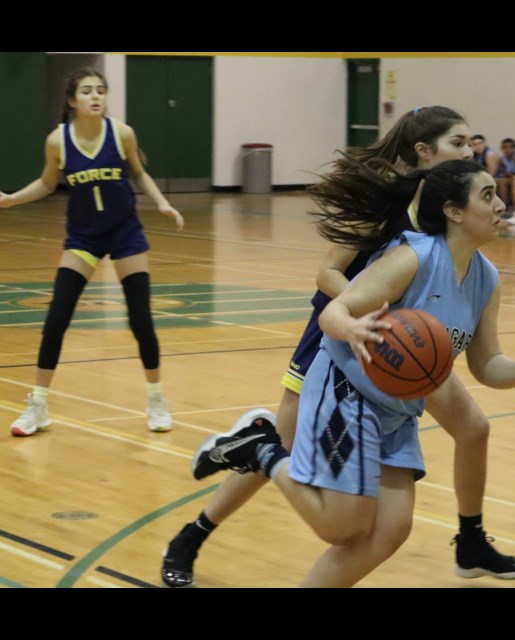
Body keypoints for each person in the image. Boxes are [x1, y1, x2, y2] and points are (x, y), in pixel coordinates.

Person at [190, 159, 515, 588]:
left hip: (398, 408)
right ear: (454, 211)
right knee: (339, 526)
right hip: (346, 388)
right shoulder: (413, 257)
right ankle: (261, 447)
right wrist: (351, 327)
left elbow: (485, 365)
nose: (502, 205)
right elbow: (336, 308)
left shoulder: (486, 277)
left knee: (391, 529)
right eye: (488, 195)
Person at [161, 106, 478, 587]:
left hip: (397, 346)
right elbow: (327, 273)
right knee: (281, 447)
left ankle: (471, 537)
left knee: (471, 427)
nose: (470, 151)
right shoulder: (386, 203)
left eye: (471, 142)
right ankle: (193, 534)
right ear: (423, 151)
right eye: (458, 143)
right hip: (343, 336)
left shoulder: (442, 207)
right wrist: (363, 315)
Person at [0, 69, 184, 436]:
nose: (96, 97)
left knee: (141, 319)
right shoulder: (58, 141)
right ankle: (38, 406)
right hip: (84, 238)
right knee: (56, 318)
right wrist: (10, 199)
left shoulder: (121, 133)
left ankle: (156, 398)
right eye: (87, 91)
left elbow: (139, 174)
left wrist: (163, 203)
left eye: (101, 91)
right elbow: (47, 183)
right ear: (72, 101)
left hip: (125, 235)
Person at [494, 138, 515, 222]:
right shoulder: (501, 159)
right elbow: (502, 173)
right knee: (499, 181)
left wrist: (511, 175)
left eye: (509, 147)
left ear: (514, 148)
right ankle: (503, 208)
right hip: (508, 179)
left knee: (504, 182)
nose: (507, 149)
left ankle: (511, 208)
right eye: (505, 147)